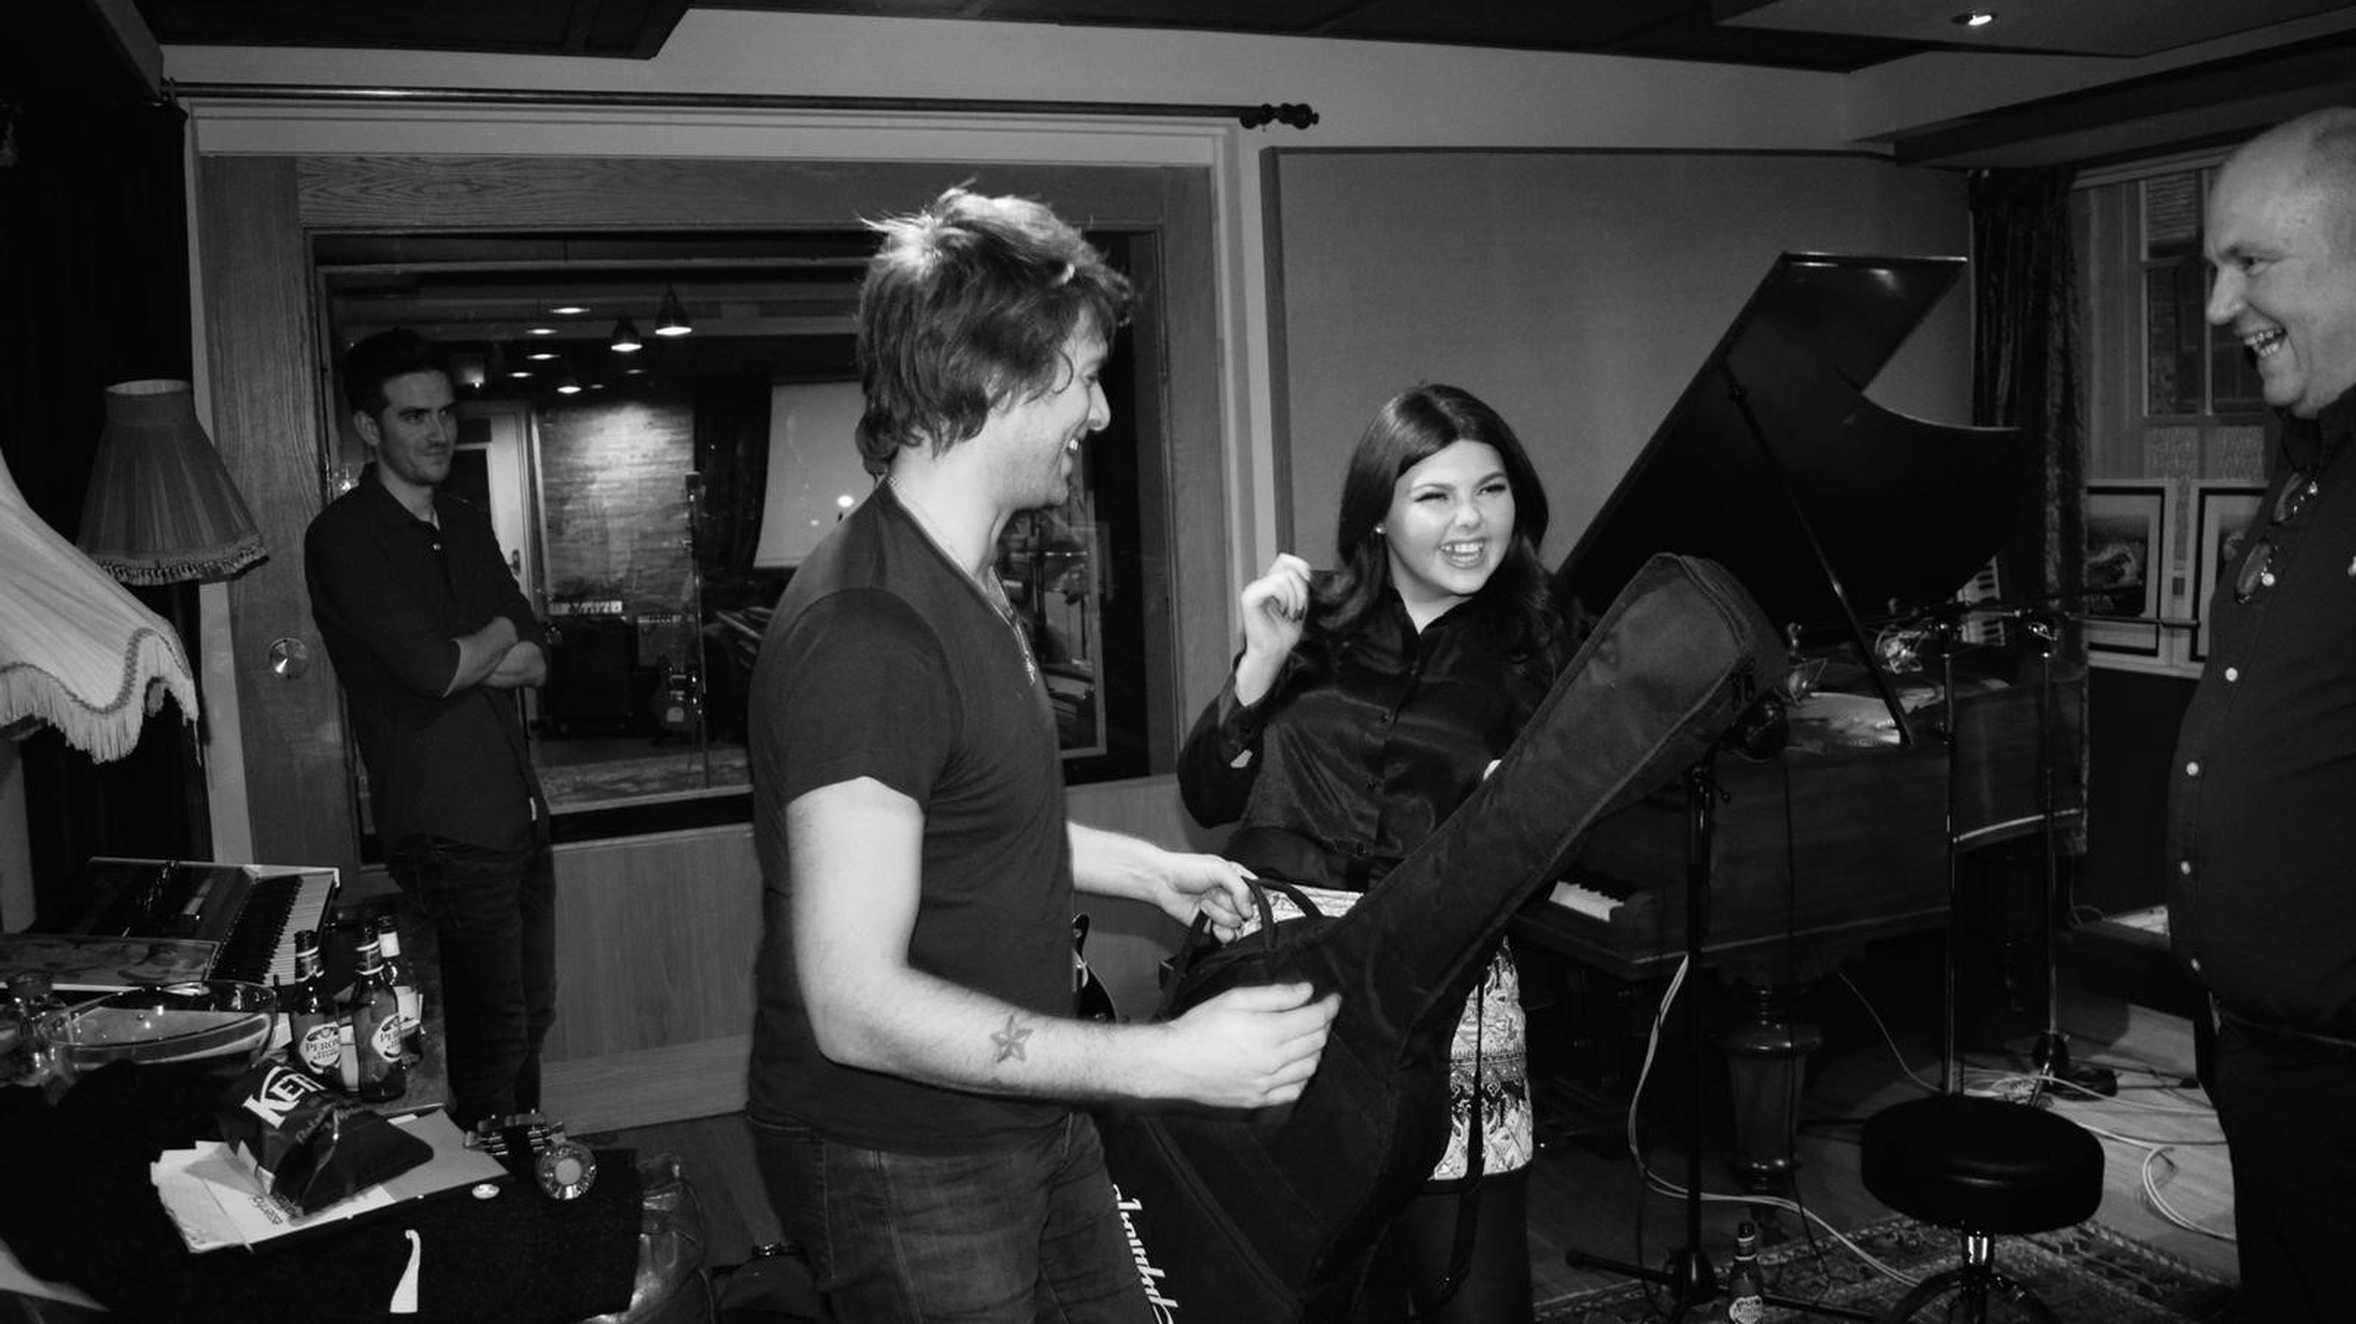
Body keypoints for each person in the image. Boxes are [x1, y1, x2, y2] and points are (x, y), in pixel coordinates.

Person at [744, 186, 1340, 1322]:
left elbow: (968, 823)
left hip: (1027, 1105)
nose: (1102, 413)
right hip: (907, 1155)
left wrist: (1147, 871)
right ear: (991, 377)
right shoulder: (869, 633)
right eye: (1082, 373)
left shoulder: (960, 574)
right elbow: (854, 1004)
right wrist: (1165, 1060)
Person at [1176, 383, 1571, 1322]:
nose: (1470, 519)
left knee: (1474, 1288)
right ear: (1381, 515)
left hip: (1444, 981)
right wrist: (1259, 665)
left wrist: (1512, 814)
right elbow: (1206, 794)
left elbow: (1548, 846)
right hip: (1280, 974)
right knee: (1289, 1264)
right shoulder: (1302, 613)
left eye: (1493, 489)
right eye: (1434, 495)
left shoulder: (1540, 645)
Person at [2168, 105, 2356, 1318]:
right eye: (2213, 268)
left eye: (2251, 261)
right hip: (2262, 1051)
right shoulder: (2311, 464)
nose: (2218, 307)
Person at [304, 328, 553, 1131]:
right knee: (488, 1034)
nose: (439, 432)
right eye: (415, 416)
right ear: (370, 427)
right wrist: (482, 646)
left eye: (445, 413)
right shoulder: (344, 537)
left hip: (519, 812)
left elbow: (536, 655)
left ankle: (525, 1183)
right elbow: (432, 670)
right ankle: (497, 1200)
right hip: (444, 826)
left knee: (532, 1016)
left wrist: (469, 649)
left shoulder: (466, 518)